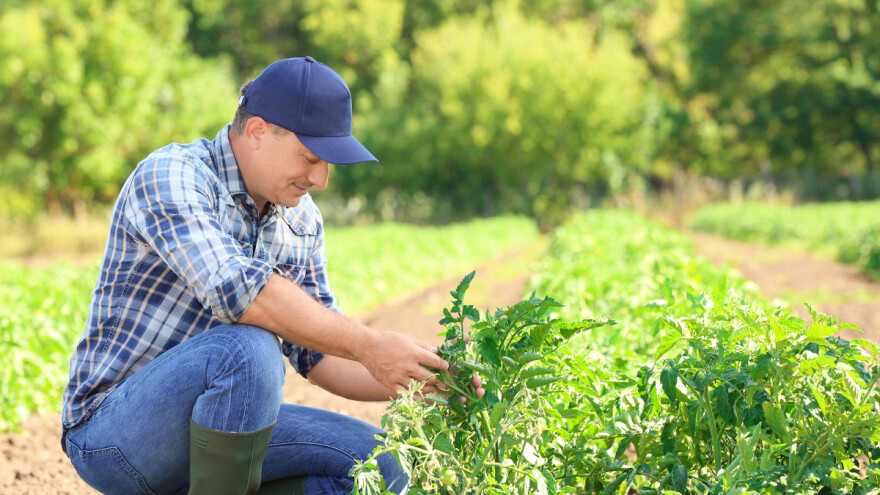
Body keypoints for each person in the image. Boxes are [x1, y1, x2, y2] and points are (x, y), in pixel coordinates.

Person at [61, 56, 483, 495]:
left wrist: (423, 377)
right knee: (247, 348)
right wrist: (371, 345)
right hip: (115, 436)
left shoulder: (301, 222)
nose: (321, 179)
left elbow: (317, 354)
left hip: (226, 427)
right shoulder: (173, 176)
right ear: (258, 131)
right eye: (310, 157)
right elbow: (241, 294)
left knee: (379, 468)